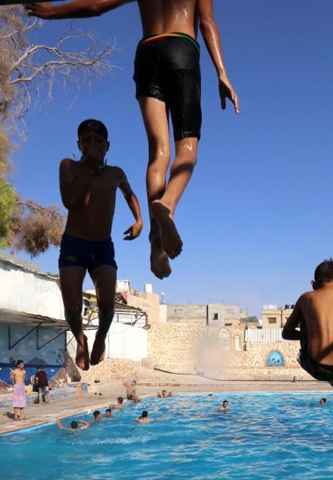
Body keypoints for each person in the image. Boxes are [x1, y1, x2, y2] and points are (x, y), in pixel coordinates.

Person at [25, 0, 240, 280]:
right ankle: (167, 206)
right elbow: (207, 22)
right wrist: (222, 72)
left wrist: (50, 11)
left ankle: (156, 239)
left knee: (158, 153)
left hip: (148, 52)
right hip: (182, 49)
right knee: (187, 151)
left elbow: (95, 6)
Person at [53, 119, 143, 371]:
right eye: (86, 141)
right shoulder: (68, 166)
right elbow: (69, 201)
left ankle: (100, 338)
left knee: (106, 303)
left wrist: (139, 220)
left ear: (108, 145)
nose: (92, 145)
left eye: (98, 141)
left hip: (102, 246)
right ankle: (81, 339)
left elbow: (129, 193)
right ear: (79, 144)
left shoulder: (116, 173)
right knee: (71, 307)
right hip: (74, 245)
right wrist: (89, 169)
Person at [282, 259, 333, 396]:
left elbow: (286, 333)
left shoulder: (305, 298)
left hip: (316, 368)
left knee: (306, 320)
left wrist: (312, 334)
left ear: (313, 285)